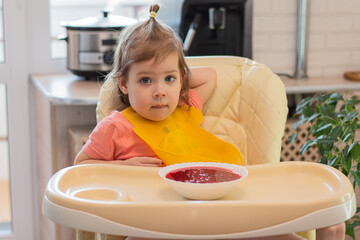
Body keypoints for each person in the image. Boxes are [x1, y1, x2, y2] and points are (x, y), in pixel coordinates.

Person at [74, 4, 345, 240]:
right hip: (155, 225)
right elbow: (81, 165)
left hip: (221, 215)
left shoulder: (184, 109)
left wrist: (176, 77)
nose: (159, 91)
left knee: (309, 230)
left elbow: (210, 76)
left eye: (168, 79)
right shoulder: (115, 126)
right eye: (146, 80)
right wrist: (123, 166)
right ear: (123, 83)